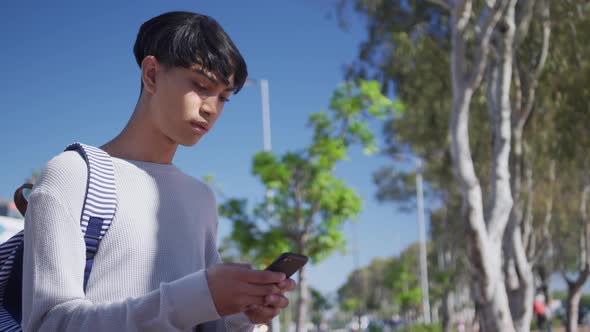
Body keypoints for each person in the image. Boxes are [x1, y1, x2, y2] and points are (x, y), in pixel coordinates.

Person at [21, 11, 295, 331]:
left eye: (223, 97)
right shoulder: (74, 174)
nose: (211, 108)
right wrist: (196, 296)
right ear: (151, 74)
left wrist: (242, 313)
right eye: (201, 85)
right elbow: (48, 324)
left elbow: (204, 323)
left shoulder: (201, 198)